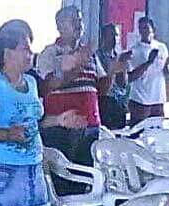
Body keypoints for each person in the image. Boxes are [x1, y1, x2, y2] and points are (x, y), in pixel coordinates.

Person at [0, 22, 83, 206]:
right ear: (7, 53)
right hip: (6, 171)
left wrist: (59, 120)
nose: (30, 53)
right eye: (25, 48)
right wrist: (8, 135)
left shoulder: (30, 83)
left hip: (34, 168)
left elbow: (34, 121)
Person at [38, 6, 122, 165]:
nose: (79, 24)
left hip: (90, 126)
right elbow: (47, 87)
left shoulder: (90, 55)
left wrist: (112, 72)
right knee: (64, 180)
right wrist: (76, 67)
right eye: (73, 20)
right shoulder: (50, 53)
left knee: (87, 176)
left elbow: (100, 90)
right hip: (62, 128)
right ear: (59, 26)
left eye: (80, 20)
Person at [128, 17, 169, 125]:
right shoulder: (134, 50)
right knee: (137, 134)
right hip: (141, 99)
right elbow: (130, 77)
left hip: (158, 98)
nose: (144, 32)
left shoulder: (162, 47)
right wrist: (148, 62)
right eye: (141, 29)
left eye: (146, 28)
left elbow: (165, 73)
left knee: (156, 134)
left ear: (153, 30)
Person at [97, 24, 130, 130]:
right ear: (103, 37)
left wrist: (123, 67)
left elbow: (123, 84)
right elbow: (102, 81)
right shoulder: (97, 56)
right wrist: (114, 67)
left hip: (119, 101)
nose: (114, 38)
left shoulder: (119, 56)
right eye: (111, 35)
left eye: (116, 35)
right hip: (105, 101)